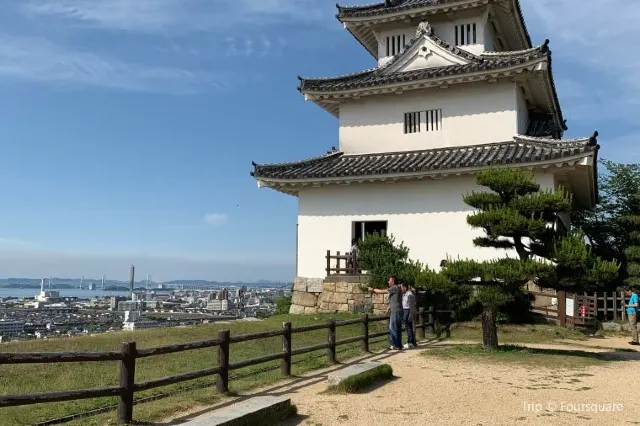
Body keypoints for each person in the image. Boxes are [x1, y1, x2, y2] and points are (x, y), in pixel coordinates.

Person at [368, 276, 403, 350]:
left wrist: (372, 290)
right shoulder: (397, 288)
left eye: (389, 281)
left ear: (393, 281)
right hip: (397, 310)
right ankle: (398, 345)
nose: (388, 282)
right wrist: (388, 309)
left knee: (393, 328)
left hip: (396, 311)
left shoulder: (394, 287)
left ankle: (396, 345)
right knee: (396, 328)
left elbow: (382, 291)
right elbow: (395, 300)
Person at [400, 282, 417, 348]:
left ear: (405, 287)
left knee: (409, 328)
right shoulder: (404, 294)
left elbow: (411, 306)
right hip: (405, 311)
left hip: (408, 311)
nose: (400, 289)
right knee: (408, 327)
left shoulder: (410, 295)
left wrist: (410, 315)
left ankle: (410, 342)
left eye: (401, 287)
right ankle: (412, 342)